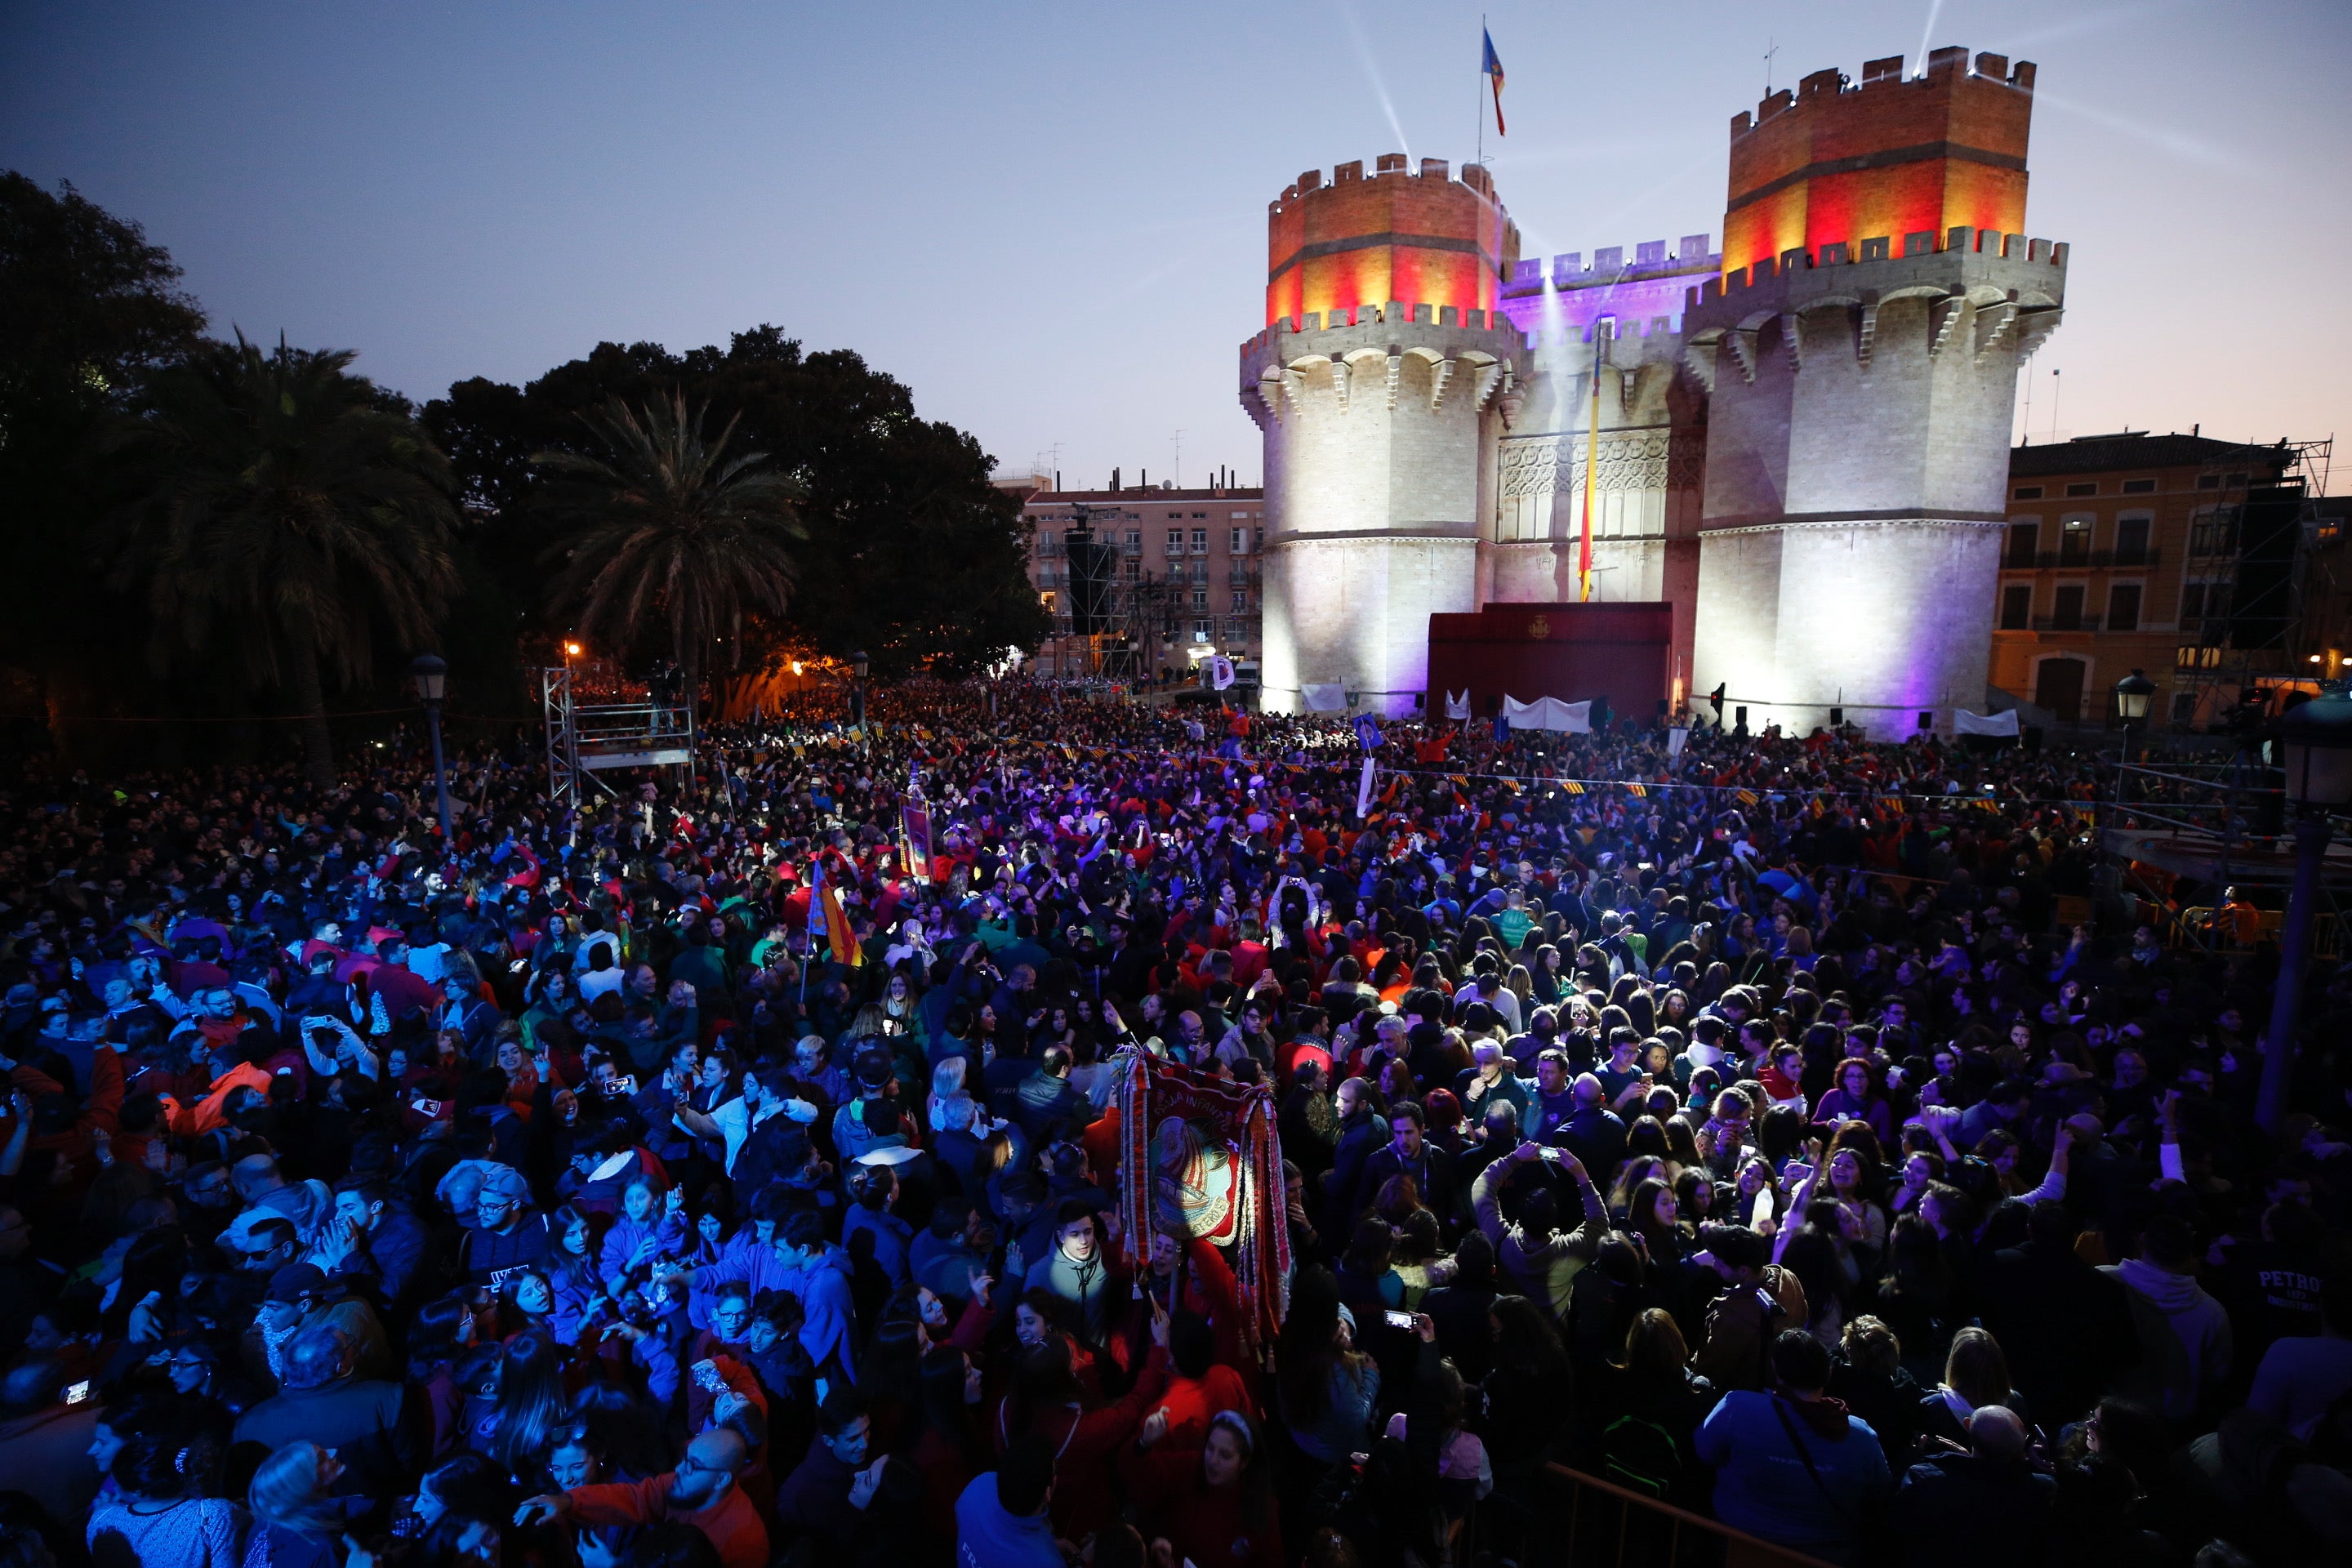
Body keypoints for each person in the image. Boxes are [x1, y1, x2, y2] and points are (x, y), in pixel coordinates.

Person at [1693, 1330, 1891, 1566]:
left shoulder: (1736, 1406)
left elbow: (1704, 1452)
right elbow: (1881, 1494)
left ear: (1776, 1368)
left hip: (1735, 1547)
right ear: (1828, 1372)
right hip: (1825, 1556)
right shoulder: (1862, 1437)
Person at [515, 1428, 768, 1568]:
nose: (679, 1470)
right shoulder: (685, 1484)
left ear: (722, 1479)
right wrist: (568, 1501)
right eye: (684, 1459)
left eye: (692, 1465)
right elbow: (637, 1497)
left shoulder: (742, 1543)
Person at [1891, 1405, 2055, 1568]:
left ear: (1968, 1425)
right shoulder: (2043, 1491)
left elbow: (1897, 1528)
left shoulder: (1923, 1480)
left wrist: (1914, 1458)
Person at [953, 1432, 1059, 1568]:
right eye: (1055, 1468)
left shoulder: (980, 1484)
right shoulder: (1046, 1562)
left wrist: (1047, 1546)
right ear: (1048, 1492)